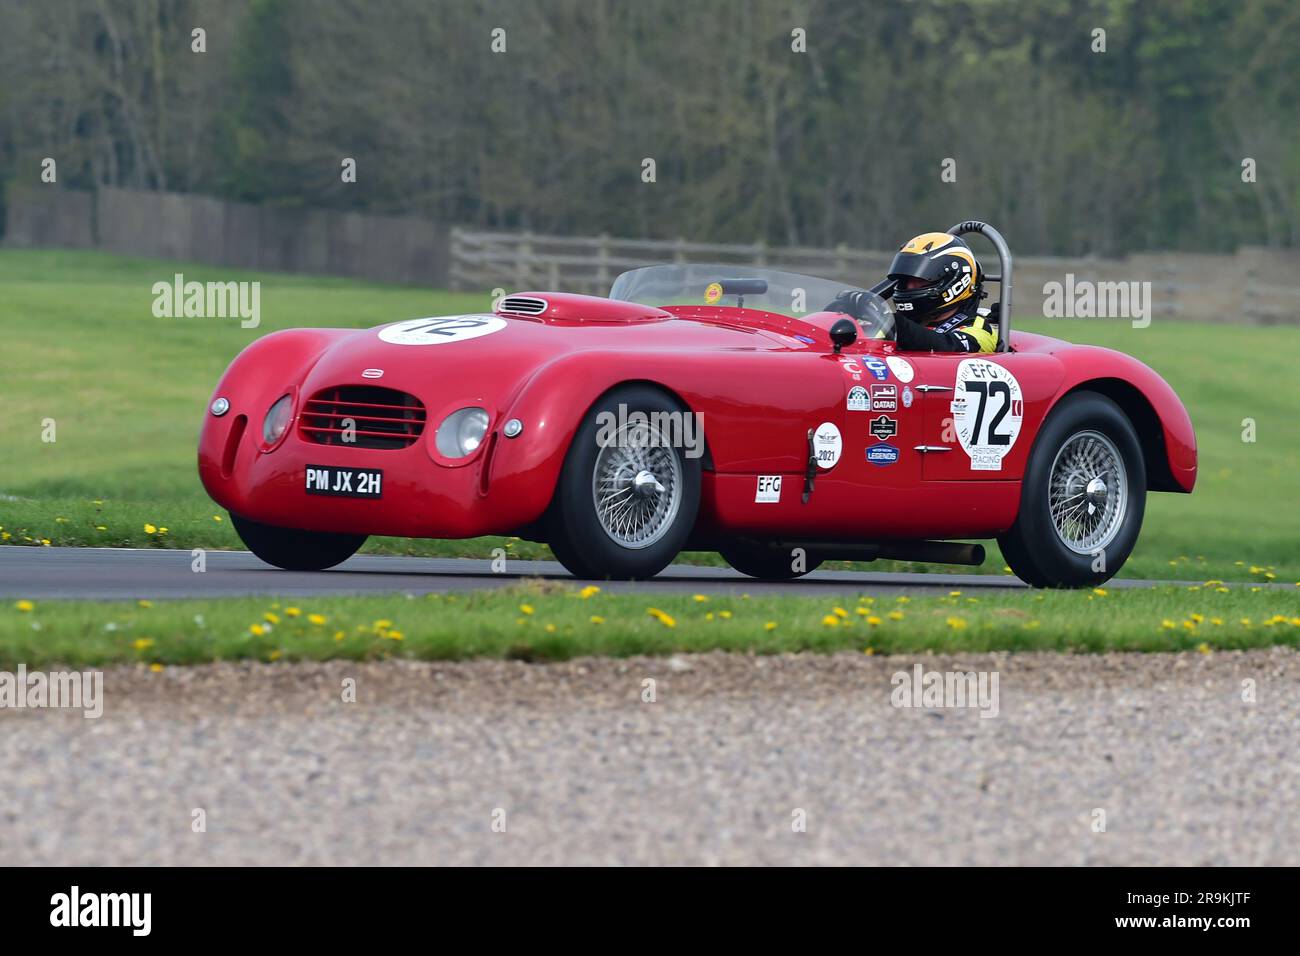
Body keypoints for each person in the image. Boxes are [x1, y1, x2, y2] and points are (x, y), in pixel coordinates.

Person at [829, 232, 999, 352]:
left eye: (919, 280)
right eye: (905, 279)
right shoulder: (913, 322)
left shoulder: (979, 328)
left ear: (953, 281)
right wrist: (846, 307)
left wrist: (892, 323)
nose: (909, 286)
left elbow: (948, 346)